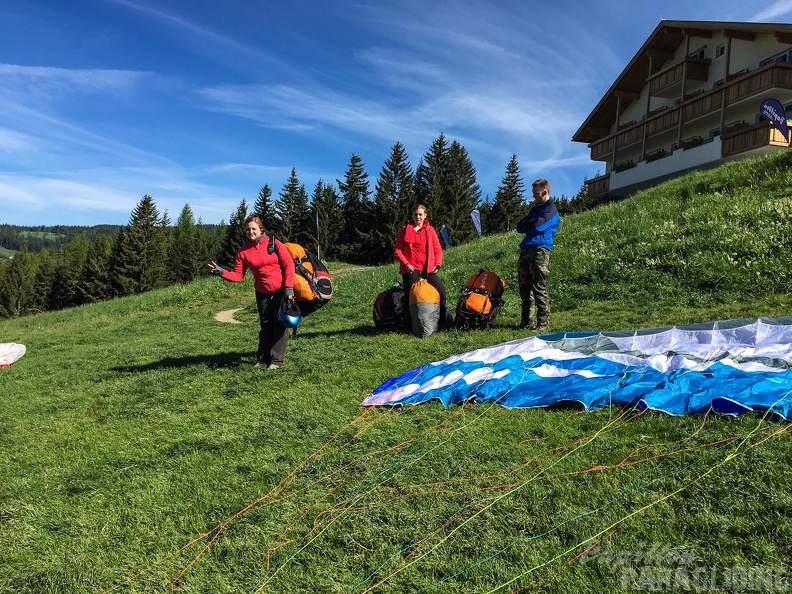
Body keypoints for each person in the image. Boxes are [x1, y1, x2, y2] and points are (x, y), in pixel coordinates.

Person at [208, 216, 295, 369]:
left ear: (261, 229)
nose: (250, 231)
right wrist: (222, 272)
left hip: (281, 290)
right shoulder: (243, 252)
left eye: (253, 228)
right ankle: (261, 359)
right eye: (248, 229)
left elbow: (288, 264)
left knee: (280, 324)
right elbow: (238, 276)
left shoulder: (273, 243)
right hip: (262, 293)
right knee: (266, 325)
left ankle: (276, 361)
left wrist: (289, 287)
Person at [516, 179, 560, 332]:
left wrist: (530, 225)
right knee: (524, 287)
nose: (534, 197)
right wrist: (530, 225)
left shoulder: (551, 210)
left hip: (540, 250)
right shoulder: (535, 209)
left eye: (536, 194)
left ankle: (543, 323)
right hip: (526, 249)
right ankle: (526, 322)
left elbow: (537, 225)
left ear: (545, 192)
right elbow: (520, 226)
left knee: (538, 287)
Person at [393, 204, 448, 325]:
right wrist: (406, 264)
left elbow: (438, 249)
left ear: (425, 215)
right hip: (411, 269)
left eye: (420, 214)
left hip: (428, 268)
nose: (418, 217)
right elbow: (397, 250)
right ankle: (409, 324)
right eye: (415, 214)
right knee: (410, 296)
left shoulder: (430, 230)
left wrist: (437, 264)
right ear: (412, 215)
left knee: (441, 292)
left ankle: (442, 320)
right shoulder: (405, 230)